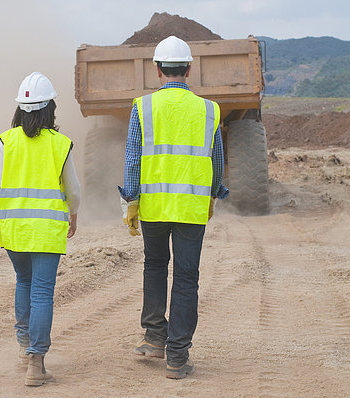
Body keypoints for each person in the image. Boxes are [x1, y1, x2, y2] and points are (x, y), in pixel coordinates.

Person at [118, 36, 229, 379]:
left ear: (157, 69)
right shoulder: (209, 109)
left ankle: (154, 338)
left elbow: (133, 159)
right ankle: (177, 357)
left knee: (154, 266)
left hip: (152, 206)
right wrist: (213, 194)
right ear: (190, 69)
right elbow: (217, 160)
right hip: (191, 209)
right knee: (186, 277)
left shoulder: (143, 106)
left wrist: (131, 199)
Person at [0, 72, 81, 387]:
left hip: (13, 229)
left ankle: (24, 347)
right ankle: (36, 364)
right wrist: (73, 215)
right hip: (47, 231)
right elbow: (73, 190)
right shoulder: (60, 144)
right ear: (50, 107)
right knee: (41, 292)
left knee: (24, 283)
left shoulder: (6, 141)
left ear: (19, 109)